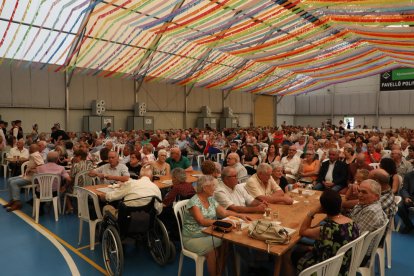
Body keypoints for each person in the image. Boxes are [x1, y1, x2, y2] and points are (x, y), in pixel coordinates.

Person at [181, 175, 250, 276]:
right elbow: (202, 221)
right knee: (213, 250)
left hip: (210, 233)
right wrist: (221, 223)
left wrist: (240, 215)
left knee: (226, 243)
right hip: (193, 237)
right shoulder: (194, 202)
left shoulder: (210, 199)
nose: (215, 188)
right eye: (213, 185)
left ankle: (219, 272)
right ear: (205, 188)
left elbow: (224, 212)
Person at [286, 189, 360, 276]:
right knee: (303, 248)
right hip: (345, 266)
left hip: (326, 269)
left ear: (323, 208)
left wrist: (312, 212)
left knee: (291, 253)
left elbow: (303, 231)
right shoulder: (353, 223)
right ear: (340, 205)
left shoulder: (327, 229)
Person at [4, 144, 44, 211]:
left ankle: (17, 203)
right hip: (28, 175)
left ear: (32, 149)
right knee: (9, 180)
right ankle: (13, 200)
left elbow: (41, 166)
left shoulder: (36, 155)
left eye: (30, 148)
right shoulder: (33, 155)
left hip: (33, 177)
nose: (28, 149)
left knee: (14, 183)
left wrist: (31, 170)